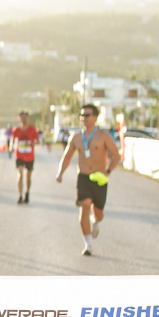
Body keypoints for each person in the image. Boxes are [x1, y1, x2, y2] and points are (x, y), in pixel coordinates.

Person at [55, 104, 119, 256]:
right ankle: (88, 244)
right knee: (84, 206)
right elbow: (67, 156)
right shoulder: (76, 137)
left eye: (87, 115)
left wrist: (108, 171)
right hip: (83, 177)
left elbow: (116, 155)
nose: (84, 118)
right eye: (82, 115)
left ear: (95, 117)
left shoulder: (103, 136)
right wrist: (60, 173)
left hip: (100, 178)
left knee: (99, 212)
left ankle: (96, 221)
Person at [9, 111, 39, 204]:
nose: (24, 119)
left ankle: (27, 192)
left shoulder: (32, 129)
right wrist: (11, 147)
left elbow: (38, 141)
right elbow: (12, 140)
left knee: (28, 176)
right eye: (22, 117)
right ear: (19, 119)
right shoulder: (16, 130)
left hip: (30, 156)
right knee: (20, 173)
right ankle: (20, 195)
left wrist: (30, 143)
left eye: (25, 117)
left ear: (28, 119)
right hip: (19, 155)